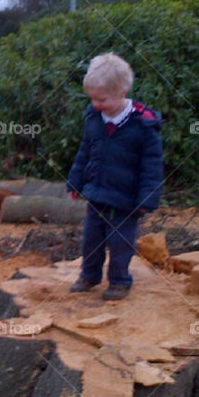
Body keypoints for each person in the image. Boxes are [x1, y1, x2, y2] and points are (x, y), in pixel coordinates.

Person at [66, 53, 164, 301]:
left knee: (121, 244)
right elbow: (84, 152)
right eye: (93, 99)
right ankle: (89, 276)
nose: (96, 104)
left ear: (122, 91)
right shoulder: (94, 119)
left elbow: (152, 166)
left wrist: (147, 199)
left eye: (102, 99)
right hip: (97, 195)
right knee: (91, 240)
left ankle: (120, 281)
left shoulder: (143, 126)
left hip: (126, 201)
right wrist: (75, 181)